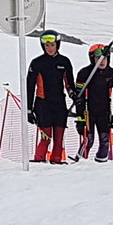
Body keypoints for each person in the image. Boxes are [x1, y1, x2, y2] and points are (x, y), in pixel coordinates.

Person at [26, 32, 75, 164]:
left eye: (52, 45)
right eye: (47, 45)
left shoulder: (64, 62)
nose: (50, 48)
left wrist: (73, 95)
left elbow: (69, 84)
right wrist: (28, 109)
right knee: (46, 137)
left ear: (57, 45)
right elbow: (29, 87)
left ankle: (57, 161)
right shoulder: (37, 63)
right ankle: (39, 160)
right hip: (43, 105)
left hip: (59, 105)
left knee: (59, 139)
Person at [74, 43, 113, 161]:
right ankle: (79, 162)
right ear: (92, 59)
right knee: (89, 140)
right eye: (98, 58)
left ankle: (101, 163)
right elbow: (79, 98)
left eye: (104, 58)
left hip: (104, 112)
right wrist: (80, 118)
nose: (102, 61)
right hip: (88, 113)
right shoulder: (84, 73)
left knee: (105, 140)